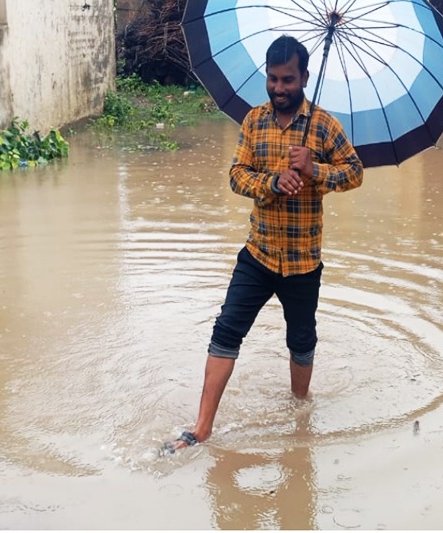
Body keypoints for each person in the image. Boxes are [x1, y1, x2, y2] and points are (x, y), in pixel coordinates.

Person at [165, 35, 363, 452]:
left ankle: (300, 409)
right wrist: (273, 182)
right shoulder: (254, 121)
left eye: (288, 79)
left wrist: (315, 171)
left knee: (302, 341)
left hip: (304, 261)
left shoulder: (324, 126)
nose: (278, 88)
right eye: (272, 79)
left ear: (305, 78)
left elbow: (355, 172)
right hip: (258, 254)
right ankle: (201, 428)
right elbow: (237, 176)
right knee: (225, 333)